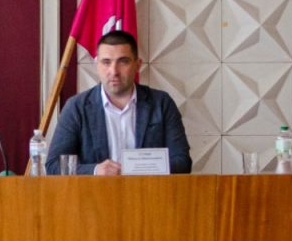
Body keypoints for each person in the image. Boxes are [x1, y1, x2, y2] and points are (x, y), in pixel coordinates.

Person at [46, 30, 192, 175]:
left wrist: (141, 168)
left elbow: (183, 162)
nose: (114, 71)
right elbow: (54, 165)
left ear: (137, 65)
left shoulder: (161, 103)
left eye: (123, 62)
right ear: (97, 65)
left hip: (148, 189)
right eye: (106, 62)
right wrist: (95, 170)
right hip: (96, 190)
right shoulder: (76, 107)